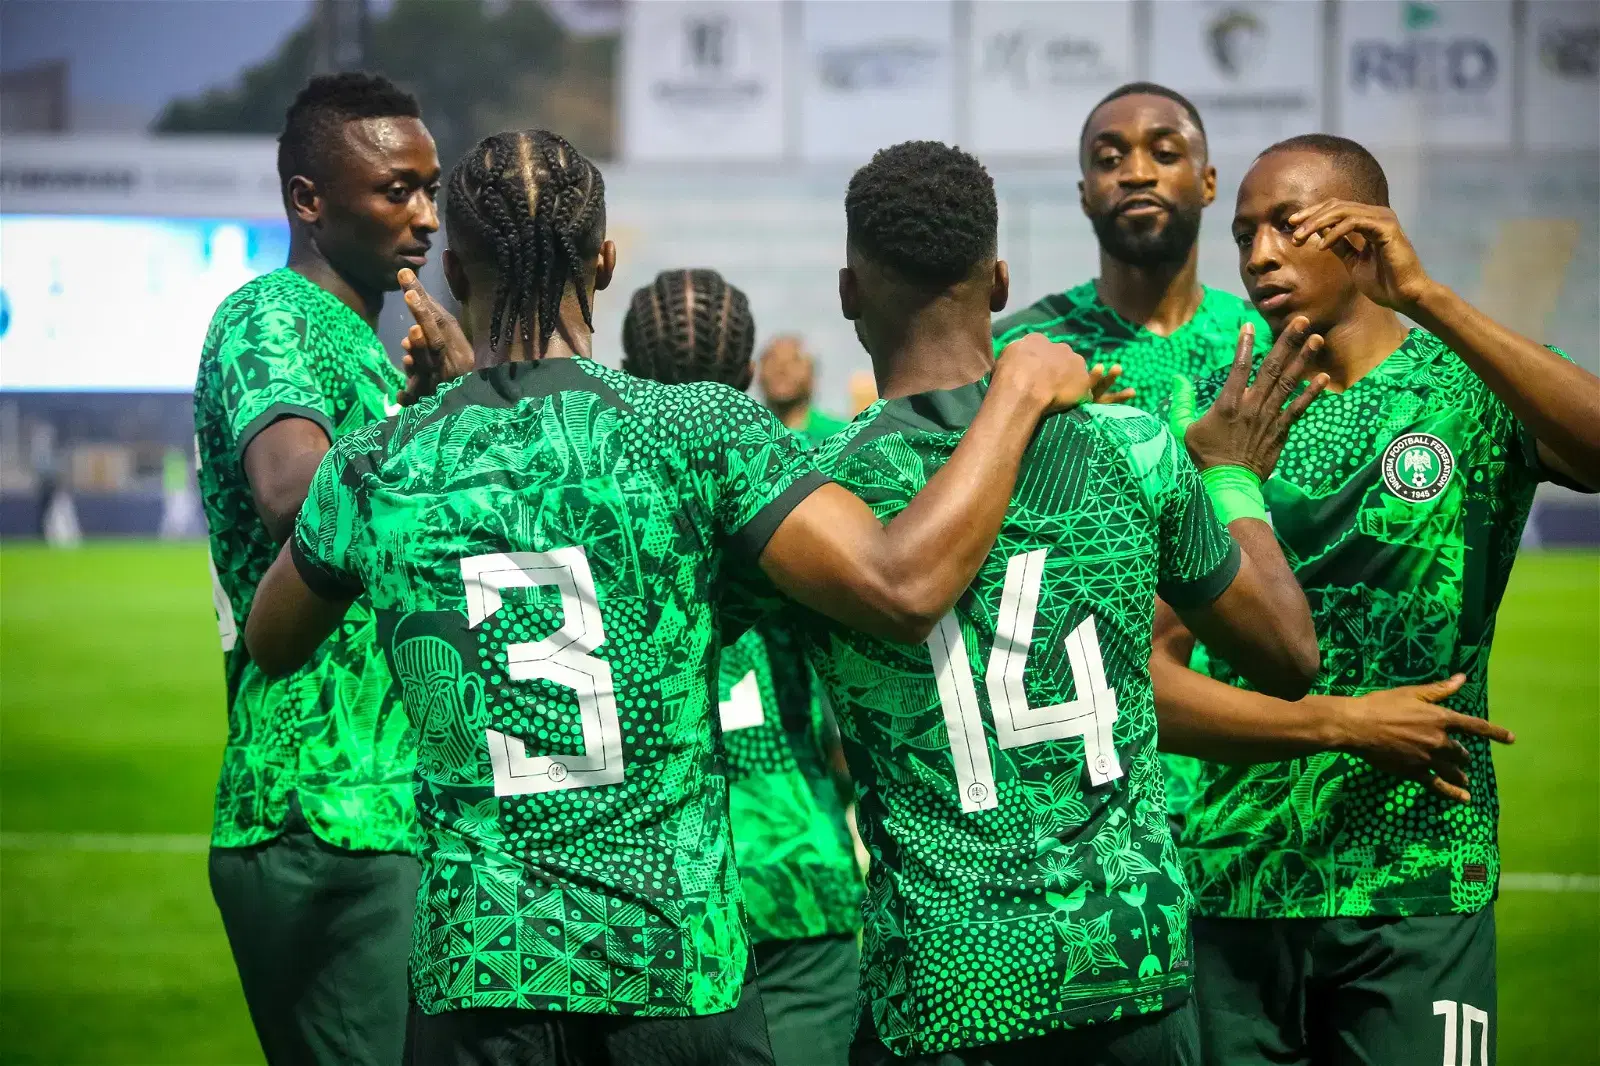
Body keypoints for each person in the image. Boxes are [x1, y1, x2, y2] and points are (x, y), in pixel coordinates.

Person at [242, 128, 1099, 1066]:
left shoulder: (379, 463)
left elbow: (275, 642)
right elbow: (901, 587)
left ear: (452, 268)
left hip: (480, 975)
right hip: (670, 968)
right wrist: (1016, 394)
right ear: (605, 262)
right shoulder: (697, 428)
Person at [786, 139, 1326, 1066]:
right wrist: (1232, 478)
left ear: (848, 292)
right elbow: (1288, 655)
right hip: (1126, 966)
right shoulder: (1135, 445)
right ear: (998, 284)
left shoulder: (811, 491)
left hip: (943, 981)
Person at [1155, 133, 1600, 1066]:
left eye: (1288, 225)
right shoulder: (1215, 423)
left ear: (1361, 235)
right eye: (1243, 236)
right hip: (1237, 883)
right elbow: (1149, 673)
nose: (1259, 255)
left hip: (1419, 876)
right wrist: (1339, 720)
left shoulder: (1464, 389)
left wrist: (1429, 298)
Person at [190, 71, 440, 1066]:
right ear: (308, 199)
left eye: (431, 187)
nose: (424, 216)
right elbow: (295, 492)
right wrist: (425, 427)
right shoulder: (272, 317)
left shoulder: (377, 354)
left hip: (387, 807)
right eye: (395, 190)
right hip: (323, 802)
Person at [990, 81, 1270, 830]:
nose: (1137, 172)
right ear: (1085, 194)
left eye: (1165, 152)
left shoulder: (1274, 346)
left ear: (1208, 182)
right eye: (1110, 159)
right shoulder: (1019, 355)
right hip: (1088, 791)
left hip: (1256, 794)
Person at [621, 268, 866, 1066]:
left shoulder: (588, 499)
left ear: (627, 369)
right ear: (743, 375)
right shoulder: (795, 487)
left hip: (647, 885)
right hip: (796, 864)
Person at [757, 334, 851, 439]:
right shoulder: (743, 436)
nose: (781, 368)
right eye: (772, 360)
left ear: (812, 375)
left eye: (794, 361)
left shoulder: (842, 436)